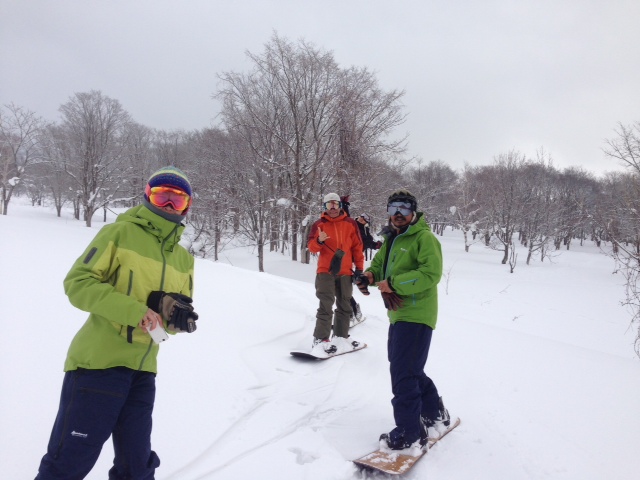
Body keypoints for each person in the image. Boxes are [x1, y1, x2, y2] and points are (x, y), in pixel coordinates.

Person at [35, 166, 199, 479]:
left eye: (176, 200)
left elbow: (171, 316)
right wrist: (134, 311)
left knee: (136, 467)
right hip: (98, 366)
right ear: (146, 195)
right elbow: (78, 283)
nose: (167, 205)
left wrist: (177, 320)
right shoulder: (119, 233)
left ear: (187, 206)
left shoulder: (184, 259)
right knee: (69, 461)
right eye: (160, 195)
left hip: (143, 371)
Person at [357, 189, 451, 450]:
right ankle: (434, 413)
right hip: (398, 314)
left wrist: (393, 283)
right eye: (393, 208)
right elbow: (378, 265)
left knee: (403, 373)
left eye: (404, 209)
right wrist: (368, 277)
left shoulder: (424, 238)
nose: (398, 214)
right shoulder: (391, 239)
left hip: (417, 313)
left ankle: (410, 433)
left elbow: (430, 273)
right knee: (409, 369)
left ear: (413, 212)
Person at [307, 192, 365, 355]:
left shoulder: (350, 224)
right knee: (326, 304)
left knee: (345, 305)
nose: (332, 208)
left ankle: (340, 336)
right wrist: (319, 241)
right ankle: (320, 339)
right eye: (328, 205)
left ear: (340, 205)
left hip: (346, 272)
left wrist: (359, 268)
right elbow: (311, 247)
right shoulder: (319, 224)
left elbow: (357, 247)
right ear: (324, 207)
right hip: (326, 271)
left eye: (335, 204)